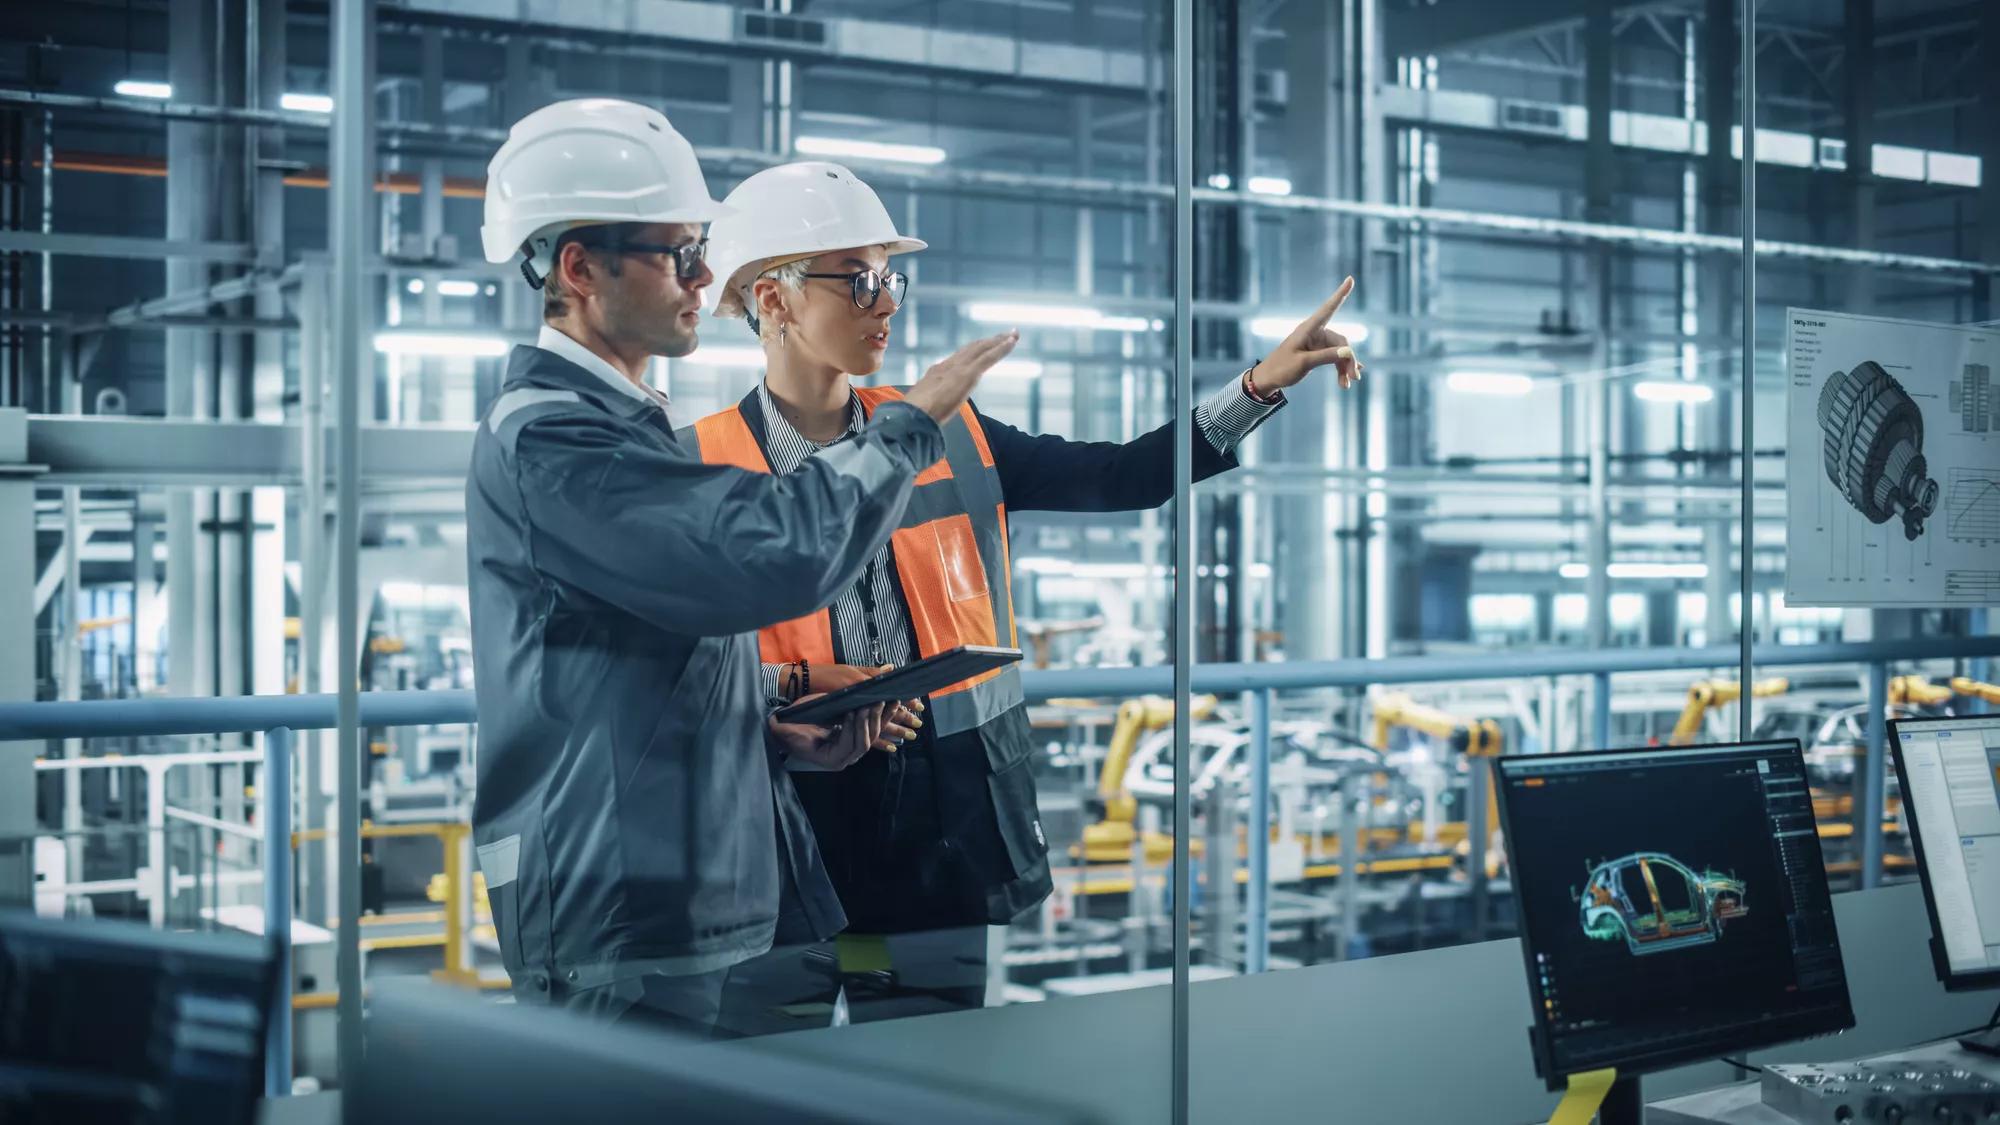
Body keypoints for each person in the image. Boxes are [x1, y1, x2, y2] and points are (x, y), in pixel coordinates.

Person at [686, 160, 1363, 1023]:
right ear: (771, 300)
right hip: (778, 833)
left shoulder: (955, 433)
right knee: (782, 1083)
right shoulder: (696, 467)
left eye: (891, 277)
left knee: (929, 1075)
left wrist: (1258, 386)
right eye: (859, 280)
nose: (887, 302)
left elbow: (1123, 474)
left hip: (934, 834)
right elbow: (660, 673)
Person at [465, 101, 1018, 1037]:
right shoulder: (556, 441)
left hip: (686, 881)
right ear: (579, 268)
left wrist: (775, 721)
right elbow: (772, 557)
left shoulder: (624, 426)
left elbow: (647, 663)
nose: (705, 277)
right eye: (680, 253)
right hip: (617, 904)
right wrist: (910, 422)